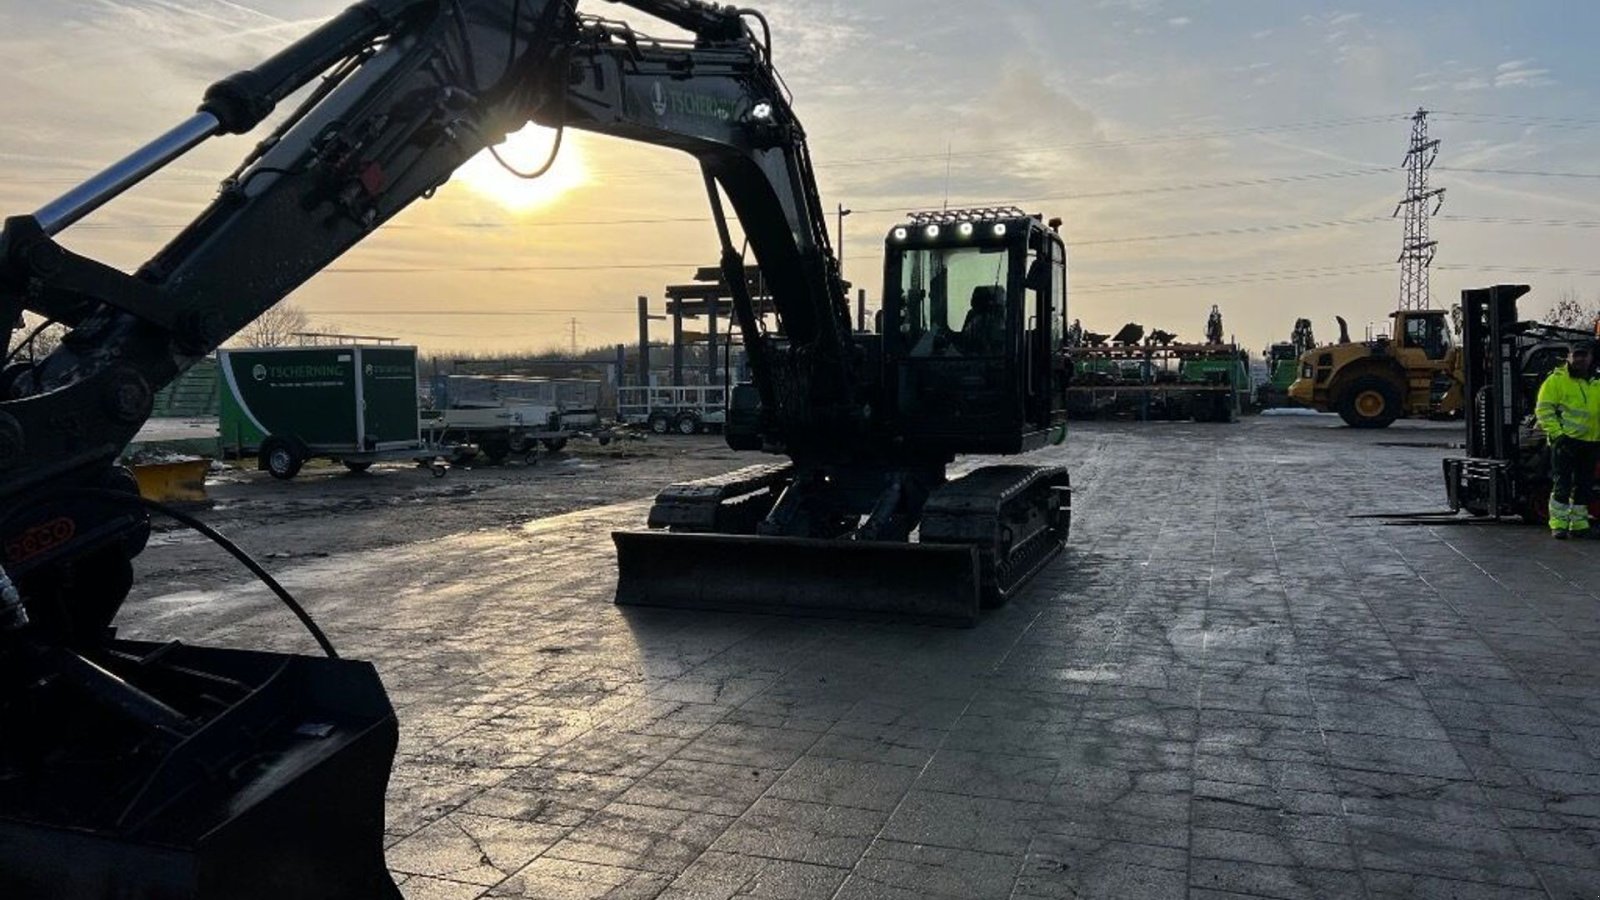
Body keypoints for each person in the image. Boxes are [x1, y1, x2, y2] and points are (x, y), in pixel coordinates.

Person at [1535, 340, 1600, 539]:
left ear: (1590, 357)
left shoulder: (1596, 382)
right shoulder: (1556, 381)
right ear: (1569, 357)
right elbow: (1544, 410)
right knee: (1562, 484)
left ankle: (1579, 524)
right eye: (1576, 355)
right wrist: (1558, 436)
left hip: (1591, 442)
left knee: (1583, 485)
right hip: (1566, 442)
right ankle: (1558, 524)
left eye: (1584, 355)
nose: (1580, 359)